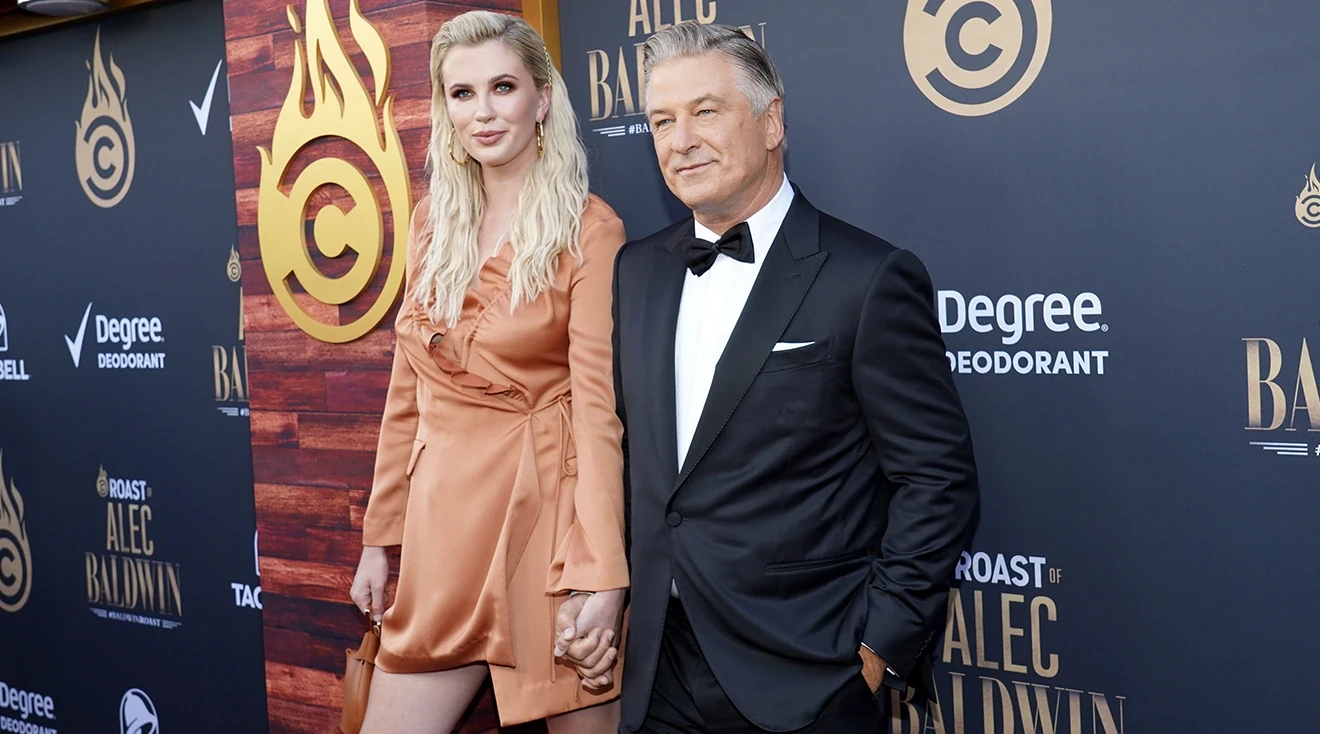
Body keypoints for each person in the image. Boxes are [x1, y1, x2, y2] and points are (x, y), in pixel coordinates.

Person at [611, 22, 980, 733]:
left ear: (771, 119)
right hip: (659, 668)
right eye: (661, 120)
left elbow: (938, 478)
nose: (680, 138)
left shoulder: (866, 278)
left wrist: (878, 647)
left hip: (807, 673)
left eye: (705, 111)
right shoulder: (636, 271)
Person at [348, 11, 627, 733]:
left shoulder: (589, 230)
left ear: (541, 97)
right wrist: (381, 539)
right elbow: (407, 394)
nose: (483, 112)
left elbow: (598, 414)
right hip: (444, 523)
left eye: (502, 87)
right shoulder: (430, 223)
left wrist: (601, 572)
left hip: (546, 522)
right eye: (461, 93)